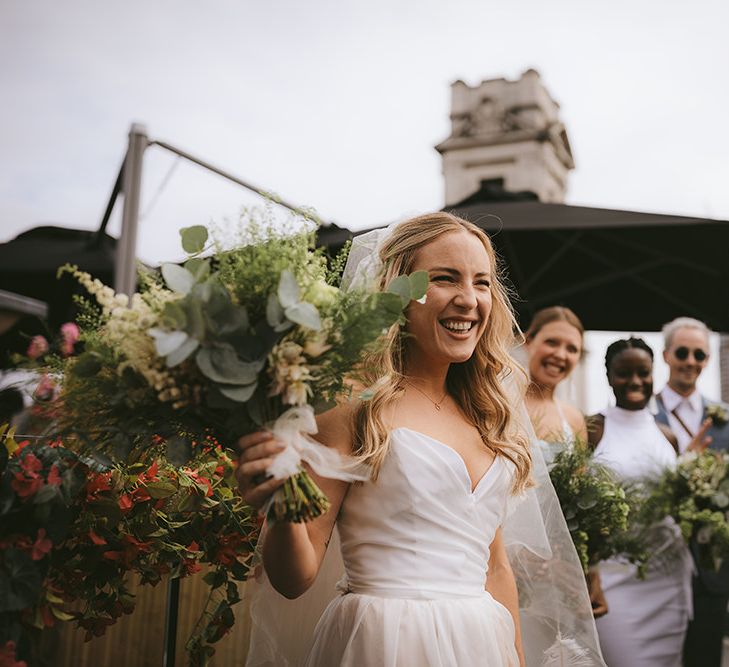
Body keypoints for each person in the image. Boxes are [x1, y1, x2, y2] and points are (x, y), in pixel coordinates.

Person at [237, 212, 604, 666]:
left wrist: (517, 658)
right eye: (446, 279)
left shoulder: (490, 416)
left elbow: (495, 568)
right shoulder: (352, 406)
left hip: (482, 644)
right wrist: (280, 506)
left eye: (482, 283)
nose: (469, 300)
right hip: (384, 641)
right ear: (397, 290)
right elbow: (296, 577)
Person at [588, 337, 694, 667]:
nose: (635, 381)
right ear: (609, 376)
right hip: (613, 578)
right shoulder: (593, 429)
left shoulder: (668, 435)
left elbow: (677, 505)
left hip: (667, 576)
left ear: (653, 375)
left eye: (643, 373)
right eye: (624, 373)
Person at [524, 306, 608, 620]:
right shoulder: (498, 403)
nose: (561, 355)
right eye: (552, 342)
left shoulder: (573, 419)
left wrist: (591, 571)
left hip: (559, 569)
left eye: (571, 348)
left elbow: (582, 507)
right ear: (529, 340)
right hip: (510, 560)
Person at [654, 317, 729, 667]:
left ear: (707, 360)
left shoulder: (725, 418)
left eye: (699, 354)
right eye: (682, 352)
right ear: (667, 355)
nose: (690, 361)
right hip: (655, 558)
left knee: (705, 656)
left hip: (710, 565)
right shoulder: (642, 412)